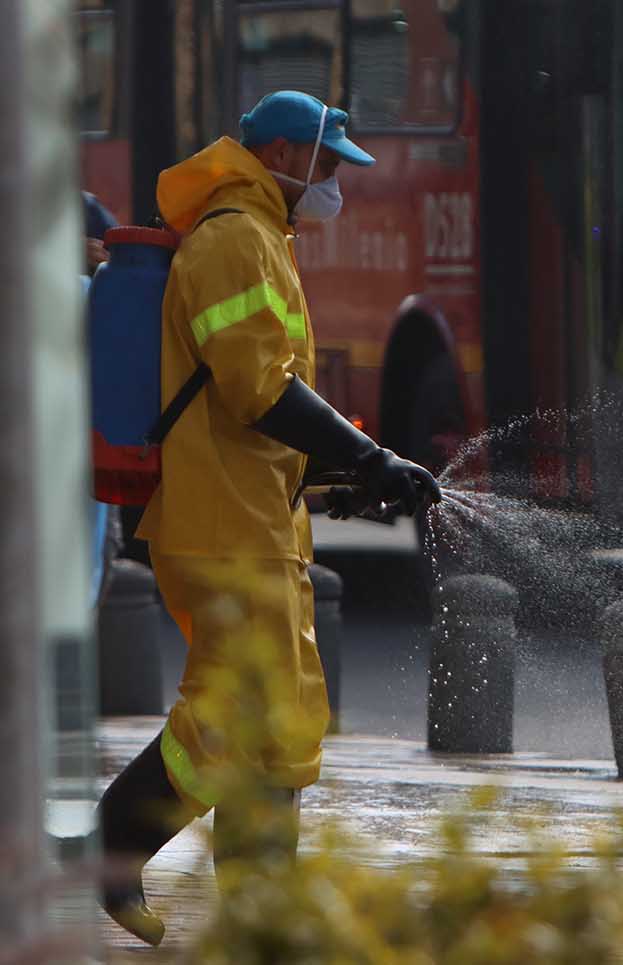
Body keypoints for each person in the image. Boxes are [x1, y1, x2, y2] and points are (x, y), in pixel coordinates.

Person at [97, 90, 442, 945]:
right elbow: (258, 389)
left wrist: (339, 477)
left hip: (252, 516)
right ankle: (113, 841)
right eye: (326, 163)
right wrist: (367, 455)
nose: (335, 182)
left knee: (273, 722)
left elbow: (249, 407)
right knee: (234, 716)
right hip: (223, 522)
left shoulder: (261, 234)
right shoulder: (232, 239)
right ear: (282, 155)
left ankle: (262, 911)